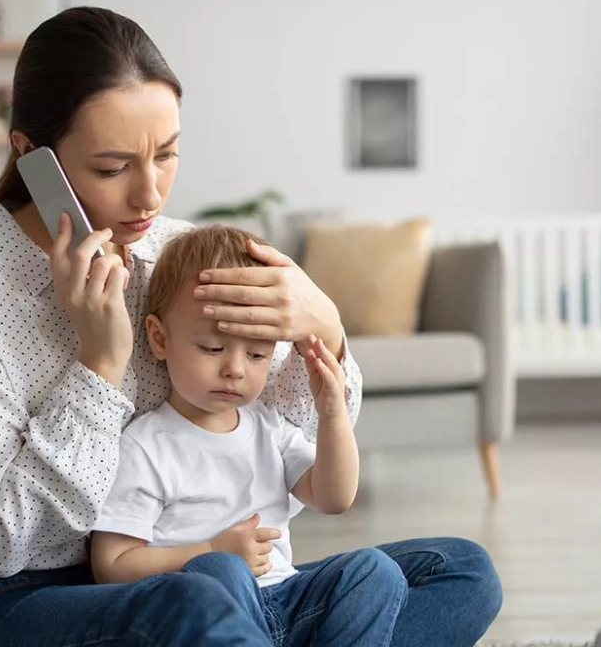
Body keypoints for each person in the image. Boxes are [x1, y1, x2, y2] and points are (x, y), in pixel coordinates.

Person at [0, 5, 502, 647]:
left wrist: (326, 328)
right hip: (15, 601)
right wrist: (100, 366)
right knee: (194, 604)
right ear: (33, 158)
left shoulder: (181, 254)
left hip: (215, 577)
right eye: (112, 168)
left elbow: (281, 444)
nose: (150, 196)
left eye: (166, 155)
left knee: (459, 571)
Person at [90, 225, 406, 645]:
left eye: (257, 354)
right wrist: (208, 552)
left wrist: (332, 416)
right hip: (208, 609)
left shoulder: (269, 428)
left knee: (374, 569)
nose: (235, 369)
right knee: (221, 571)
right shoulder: (145, 446)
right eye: (212, 349)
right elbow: (111, 564)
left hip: (288, 597)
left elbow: (334, 498)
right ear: (160, 338)